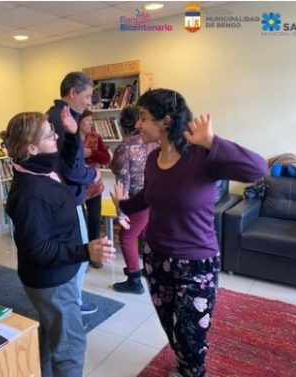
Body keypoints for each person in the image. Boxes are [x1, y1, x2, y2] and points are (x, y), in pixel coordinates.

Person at [110, 89, 267, 377]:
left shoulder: (202, 156)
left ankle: (191, 370)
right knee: (171, 326)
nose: (138, 125)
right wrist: (124, 204)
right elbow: (149, 195)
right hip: (156, 258)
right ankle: (183, 363)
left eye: (143, 118)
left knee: (192, 331)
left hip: (196, 263)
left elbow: (258, 169)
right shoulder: (153, 158)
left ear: (166, 121)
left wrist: (212, 141)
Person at [2, 111, 115, 377]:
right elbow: (37, 248)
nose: (55, 135)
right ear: (31, 148)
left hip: (53, 275)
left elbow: (68, 160)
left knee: (53, 336)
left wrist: (74, 133)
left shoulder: (41, 166)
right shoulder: (31, 192)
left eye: (53, 129)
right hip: (51, 280)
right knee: (70, 347)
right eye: (48, 134)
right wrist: (85, 250)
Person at [47, 72, 101, 315]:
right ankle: (73, 303)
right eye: (87, 96)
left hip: (60, 198)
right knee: (79, 256)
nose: (90, 102)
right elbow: (71, 169)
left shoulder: (54, 116)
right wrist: (93, 175)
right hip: (67, 199)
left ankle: (69, 301)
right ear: (72, 92)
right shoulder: (64, 120)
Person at [110, 106, 157, 293]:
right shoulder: (152, 142)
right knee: (145, 234)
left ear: (122, 125)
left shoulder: (124, 148)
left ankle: (134, 280)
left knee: (127, 237)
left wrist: (121, 212)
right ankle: (147, 269)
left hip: (137, 201)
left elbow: (123, 184)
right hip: (153, 198)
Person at [79, 109, 111, 269]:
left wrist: (91, 152)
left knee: (94, 221)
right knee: (79, 222)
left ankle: (95, 255)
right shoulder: (69, 139)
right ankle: (82, 255)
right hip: (75, 188)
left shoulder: (95, 137)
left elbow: (106, 158)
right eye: (88, 121)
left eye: (92, 121)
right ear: (78, 122)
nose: (91, 124)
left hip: (94, 187)